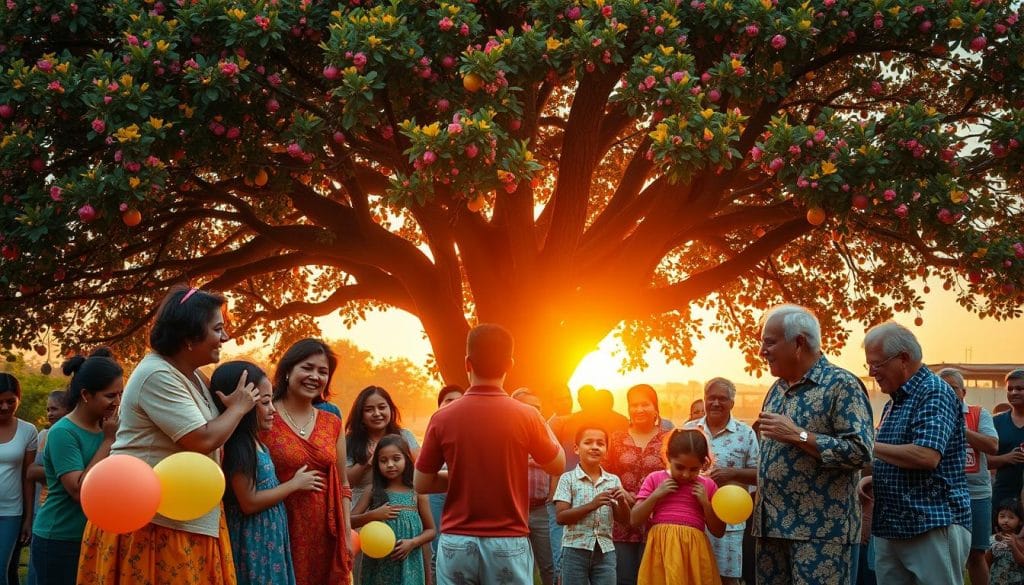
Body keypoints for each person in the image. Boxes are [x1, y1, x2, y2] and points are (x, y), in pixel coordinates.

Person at [77, 286, 258, 584]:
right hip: (152, 523)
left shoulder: (191, 374)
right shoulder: (157, 374)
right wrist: (238, 409)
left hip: (183, 517)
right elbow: (202, 439)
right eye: (217, 329)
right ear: (189, 336)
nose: (225, 337)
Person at [414, 323, 565, 584]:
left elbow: (421, 483)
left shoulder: (443, 417)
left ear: (467, 363)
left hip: (457, 540)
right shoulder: (526, 416)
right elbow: (557, 465)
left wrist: (463, 477)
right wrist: (541, 420)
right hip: (507, 540)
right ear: (510, 364)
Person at [753, 304, 874, 585]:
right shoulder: (776, 389)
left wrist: (798, 435)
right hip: (771, 530)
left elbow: (860, 452)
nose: (761, 351)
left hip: (821, 533)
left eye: (769, 342)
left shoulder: (841, 385)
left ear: (798, 343)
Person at [864, 321, 970, 585]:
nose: (871, 372)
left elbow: (926, 456)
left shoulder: (934, 392)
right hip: (892, 525)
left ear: (903, 358)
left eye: (876, 364)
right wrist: (872, 476)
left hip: (931, 521)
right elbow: (891, 455)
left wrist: (865, 445)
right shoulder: (895, 402)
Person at [213, 361, 323, 585]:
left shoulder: (257, 442)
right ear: (244, 405)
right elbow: (249, 502)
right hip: (254, 540)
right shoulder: (238, 446)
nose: (273, 409)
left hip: (269, 536)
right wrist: (294, 484)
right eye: (264, 402)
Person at [262, 338, 353, 585]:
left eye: (323, 371)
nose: (315, 376)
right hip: (278, 530)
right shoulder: (265, 416)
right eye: (307, 368)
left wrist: (346, 534)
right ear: (288, 370)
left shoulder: (332, 423)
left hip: (326, 533)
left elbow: (343, 484)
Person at [29, 353, 122, 585]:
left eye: (120, 394)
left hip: (92, 536)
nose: (117, 401)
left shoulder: (106, 428)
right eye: (110, 395)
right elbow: (79, 491)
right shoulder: (63, 432)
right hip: (59, 539)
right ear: (86, 395)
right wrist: (108, 442)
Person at [684, 377, 759, 585]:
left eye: (722, 399)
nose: (716, 403)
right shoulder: (689, 430)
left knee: (728, 579)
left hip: (730, 522)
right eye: (711, 398)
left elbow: (759, 474)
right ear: (705, 399)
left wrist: (732, 474)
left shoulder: (745, 433)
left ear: (732, 403)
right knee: (693, 577)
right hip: (693, 518)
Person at [630, 428, 725, 584]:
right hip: (661, 551)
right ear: (668, 457)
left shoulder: (708, 486)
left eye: (694, 469)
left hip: (693, 553)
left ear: (703, 463)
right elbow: (634, 519)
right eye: (680, 467)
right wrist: (656, 495)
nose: (686, 474)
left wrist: (705, 504)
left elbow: (719, 531)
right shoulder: (655, 479)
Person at [605, 383, 672, 585]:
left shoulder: (669, 439)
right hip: (622, 519)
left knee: (652, 579)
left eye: (645, 404)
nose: (639, 409)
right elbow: (605, 474)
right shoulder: (616, 439)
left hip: (657, 520)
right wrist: (622, 493)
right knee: (623, 578)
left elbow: (675, 474)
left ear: (655, 408)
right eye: (634, 405)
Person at [939, 367, 997, 585]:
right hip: (941, 495)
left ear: (963, 392)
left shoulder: (979, 414)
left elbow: (992, 446)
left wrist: (959, 428)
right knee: (942, 554)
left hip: (976, 494)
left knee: (976, 553)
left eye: (953, 388)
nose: (948, 392)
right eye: (942, 387)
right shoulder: (929, 414)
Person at [352, 434, 435, 585]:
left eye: (396, 459)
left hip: (409, 563)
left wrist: (412, 543)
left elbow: (431, 530)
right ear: (377, 464)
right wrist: (373, 515)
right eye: (383, 461)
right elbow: (349, 522)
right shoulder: (372, 490)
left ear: (406, 459)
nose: (390, 464)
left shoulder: (417, 491)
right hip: (378, 566)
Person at [554, 424, 631, 585]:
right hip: (574, 550)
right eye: (588, 442)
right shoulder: (567, 479)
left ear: (606, 451)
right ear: (576, 449)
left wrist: (622, 502)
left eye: (600, 443)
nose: (595, 447)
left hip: (605, 551)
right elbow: (561, 517)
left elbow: (624, 520)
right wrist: (592, 505)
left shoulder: (613, 480)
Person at [346, 386, 420, 508]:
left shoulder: (404, 436)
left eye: (382, 407)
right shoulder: (350, 441)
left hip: (403, 505)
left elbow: (420, 470)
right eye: (369, 410)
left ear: (390, 409)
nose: (377, 413)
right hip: (362, 509)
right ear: (360, 415)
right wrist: (367, 463)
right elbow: (346, 482)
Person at [23, 388, 68, 585]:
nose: (49, 413)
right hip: (42, 506)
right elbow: (31, 471)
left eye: (55, 409)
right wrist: (63, 471)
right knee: (37, 567)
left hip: (63, 511)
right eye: (48, 409)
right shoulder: (44, 435)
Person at [512, 388, 557, 585]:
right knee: (515, 565)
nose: (535, 412)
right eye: (529, 407)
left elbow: (557, 468)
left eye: (538, 408)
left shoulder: (546, 434)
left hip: (541, 510)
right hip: (513, 510)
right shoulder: (506, 434)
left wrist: (552, 496)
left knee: (549, 565)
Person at [0, 374, 37, 585]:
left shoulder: (27, 430)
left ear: (18, 399)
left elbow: (28, 478)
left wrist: (28, 518)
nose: (5, 407)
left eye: (10, 401)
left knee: (1, 569)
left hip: (10, 513)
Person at [427, 385, 462, 580]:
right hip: (437, 493)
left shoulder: (473, 431)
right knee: (438, 546)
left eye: (459, 401)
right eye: (449, 401)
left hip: (464, 494)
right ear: (439, 406)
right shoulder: (436, 428)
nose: (454, 404)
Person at [990, 369, 1024, 521]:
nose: (1014, 392)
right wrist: (1006, 458)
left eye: (1020, 388)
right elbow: (983, 461)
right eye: (1010, 389)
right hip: (1002, 498)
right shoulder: (996, 422)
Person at [986, 499, 1024, 584]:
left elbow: (1022, 562)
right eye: (1002, 516)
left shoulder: (1021, 541)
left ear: (1020, 521)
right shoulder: (992, 539)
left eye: (1011, 517)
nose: (1006, 520)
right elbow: (986, 563)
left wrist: (1014, 547)